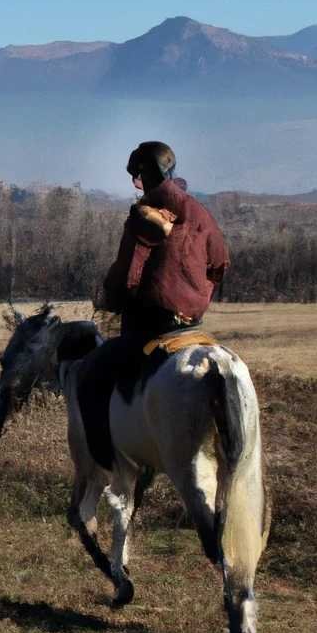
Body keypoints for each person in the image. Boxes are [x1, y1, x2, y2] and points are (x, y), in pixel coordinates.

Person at [76, 141, 230, 468]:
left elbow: (128, 272)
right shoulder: (201, 212)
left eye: (137, 176)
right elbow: (219, 263)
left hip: (151, 325)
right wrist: (198, 297)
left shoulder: (145, 214)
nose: (136, 184)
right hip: (192, 326)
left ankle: (109, 463)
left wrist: (111, 298)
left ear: (147, 174)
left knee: (92, 374)